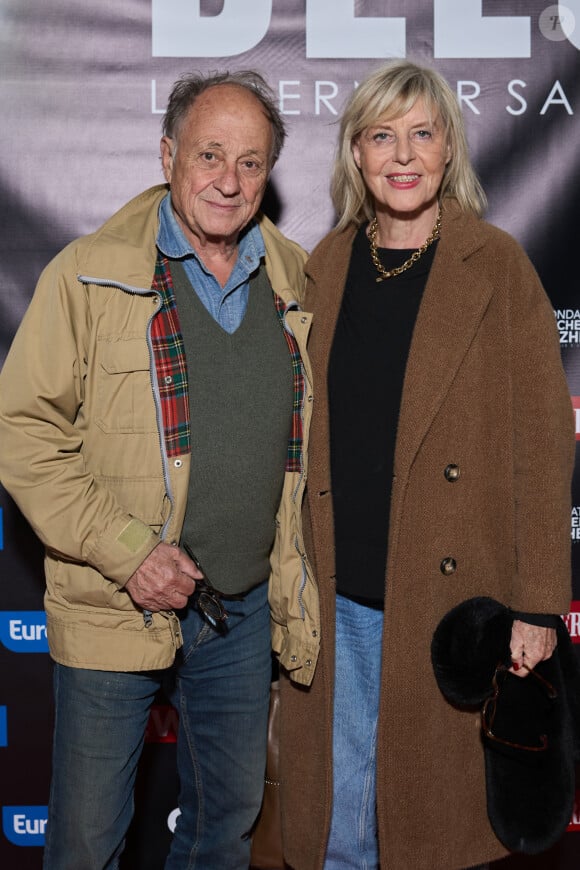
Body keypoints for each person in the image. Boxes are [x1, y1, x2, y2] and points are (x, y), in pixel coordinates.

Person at [0, 70, 316, 869]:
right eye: (210, 154)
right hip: (115, 599)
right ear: (169, 154)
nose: (229, 180)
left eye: (251, 163)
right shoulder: (87, 273)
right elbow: (22, 431)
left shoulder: (295, 278)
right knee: (86, 841)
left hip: (241, 607)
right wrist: (130, 553)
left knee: (226, 827)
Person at [273, 61, 575, 870]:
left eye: (421, 133)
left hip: (449, 603)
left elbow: (545, 445)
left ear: (449, 150)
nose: (402, 155)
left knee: (427, 834)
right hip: (338, 597)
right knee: (337, 831)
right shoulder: (324, 266)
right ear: (356, 155)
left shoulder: (499, 268)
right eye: (381, 136)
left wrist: (541, 608)